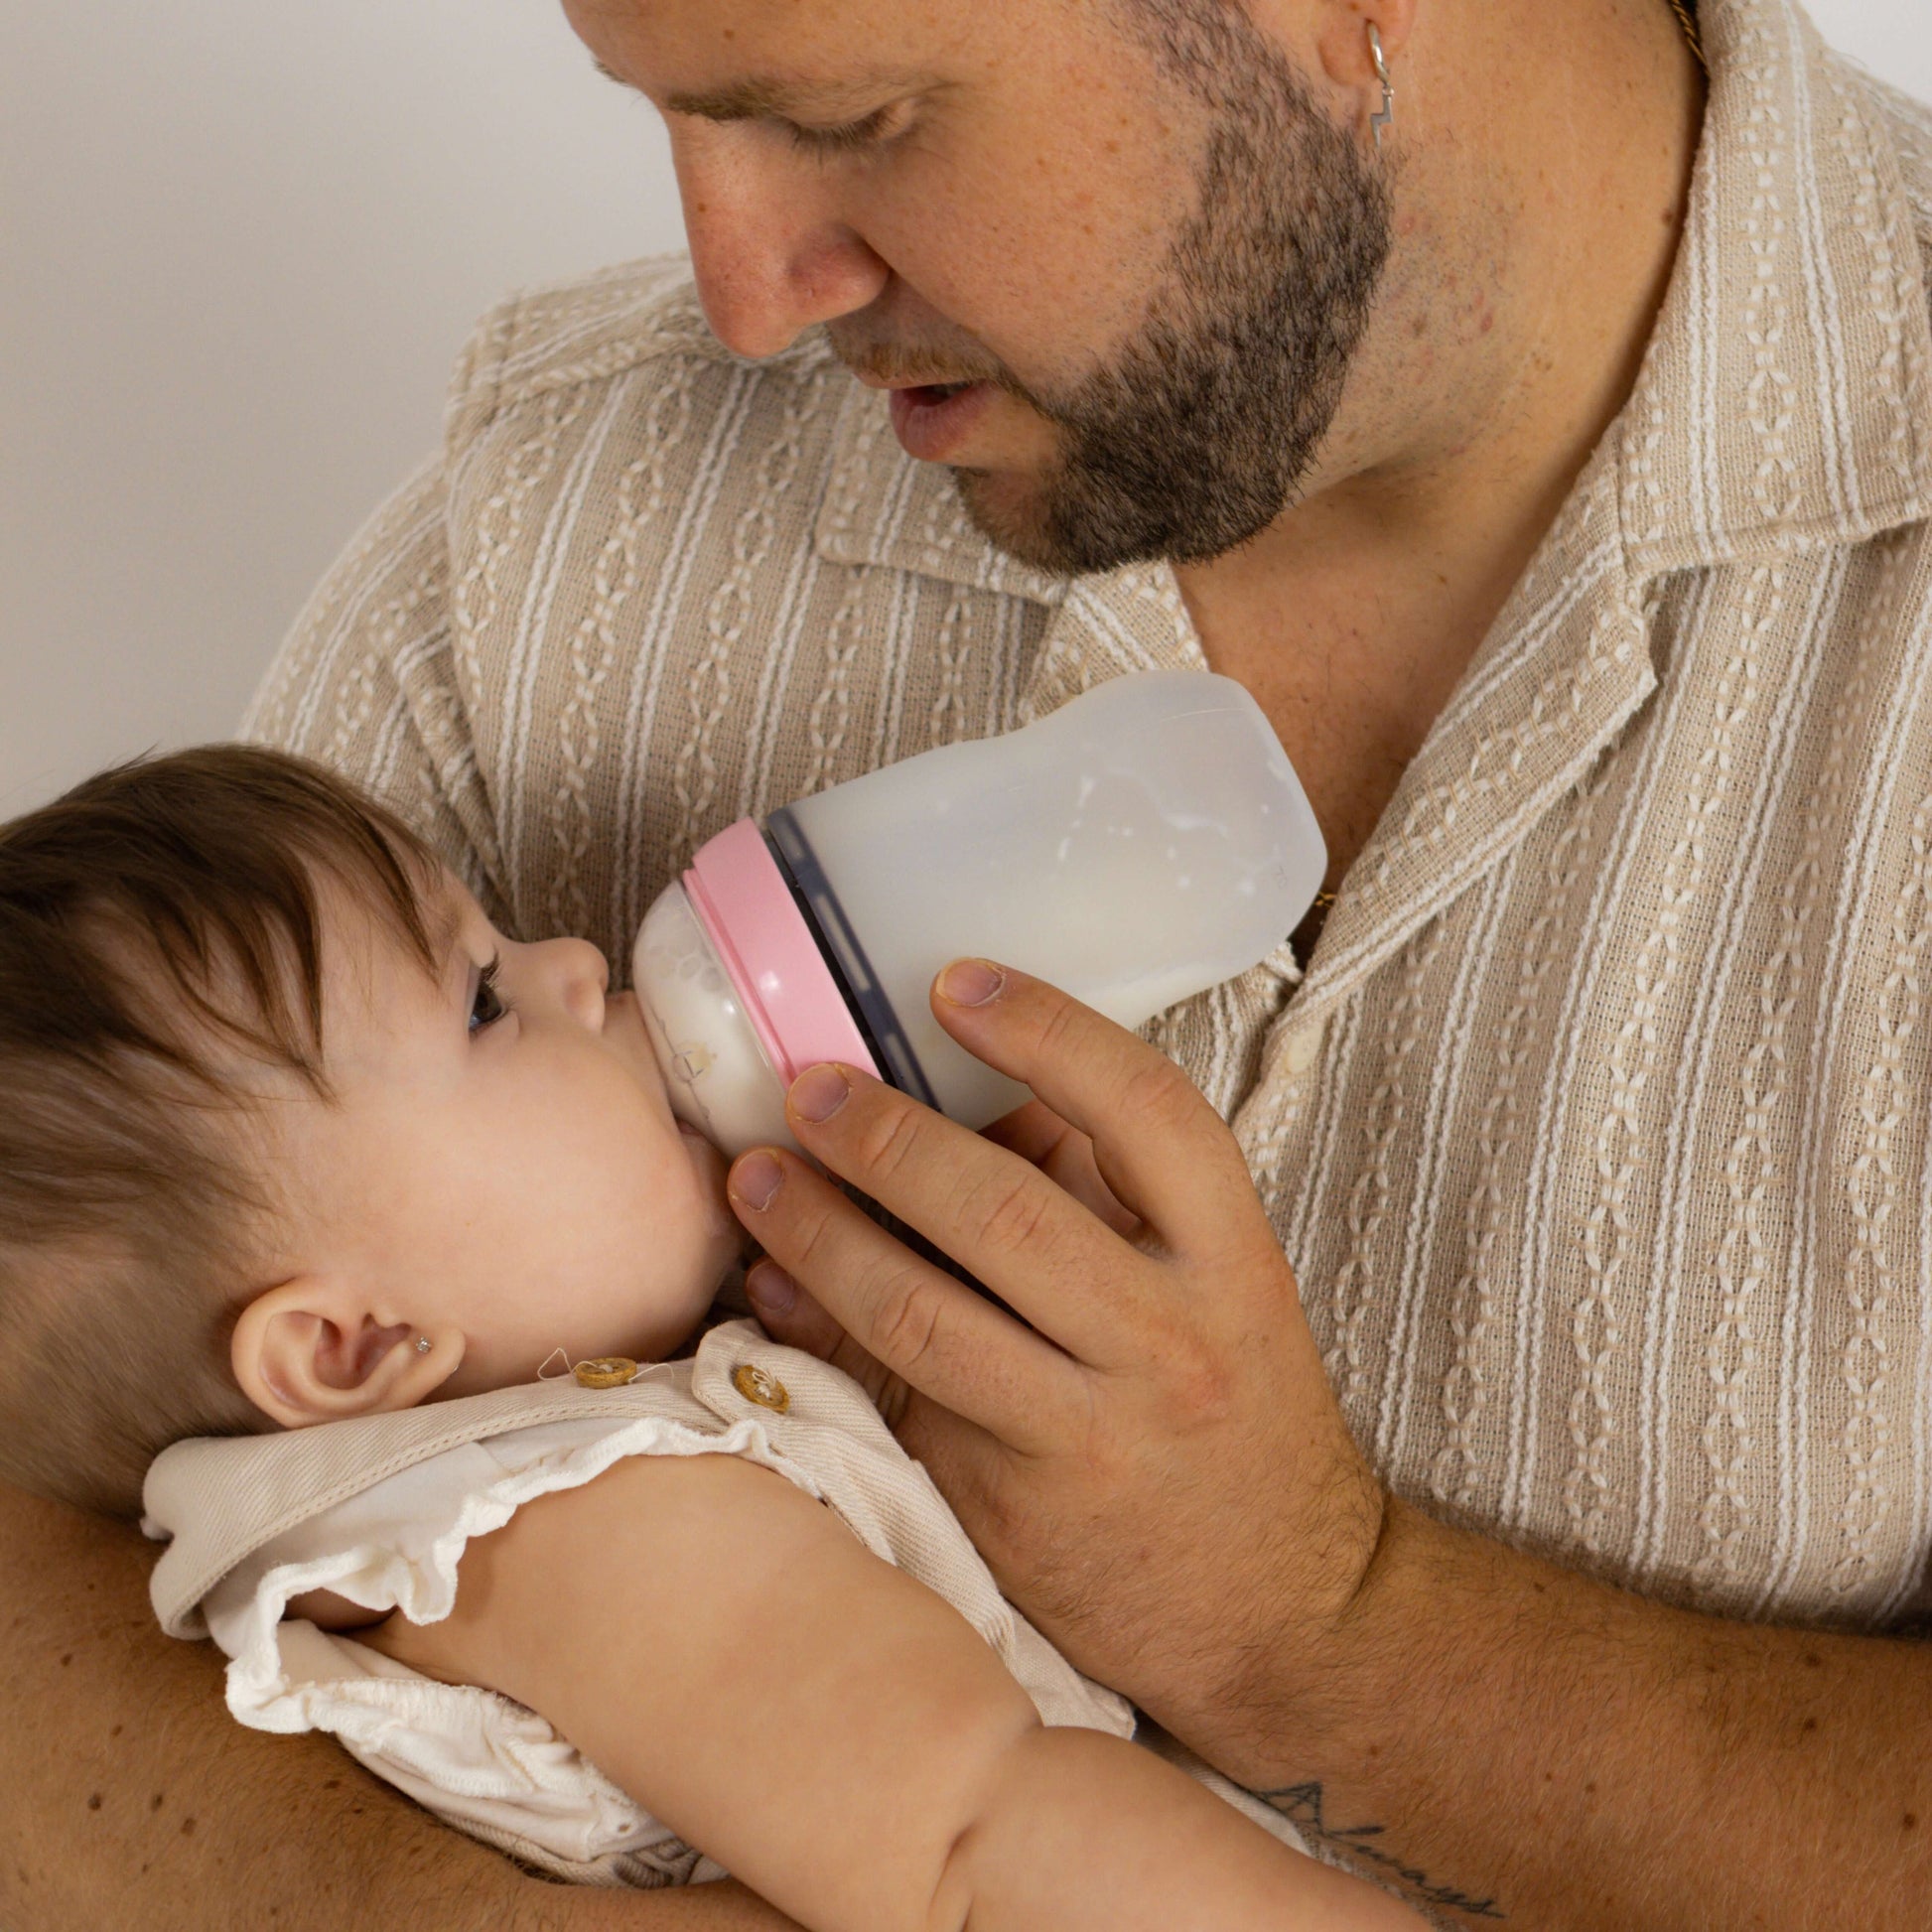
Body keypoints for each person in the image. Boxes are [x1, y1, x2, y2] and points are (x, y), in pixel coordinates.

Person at [7, 0, 1932, 1924]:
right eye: (668, 115)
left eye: (856, 116)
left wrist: (1330, 1621)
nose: (745, 298)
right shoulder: (540, 533)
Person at [0, 744, 1417, 1932]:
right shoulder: (575, 1517)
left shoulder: (449, 1524)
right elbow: (976, 1845)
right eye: (483, 1002)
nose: (574, 960)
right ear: (352, 1349)